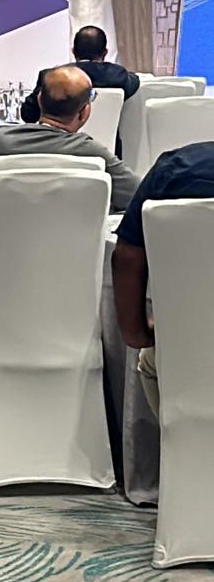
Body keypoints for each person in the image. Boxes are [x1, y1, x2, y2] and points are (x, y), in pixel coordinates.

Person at [112, 142, 214, 417]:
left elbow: (126, 258)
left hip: (192, 355)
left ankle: (181, 438)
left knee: (153, 360)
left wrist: (137, 333)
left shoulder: (175, 168)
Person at [0, 64, 139, 213]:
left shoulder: (1, 142)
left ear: (39, 100)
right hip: (77, 230)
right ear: (84, 112)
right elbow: (137, 195)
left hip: (8, 229)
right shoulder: (93, 153)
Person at [20, 26, 140, 155]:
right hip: (108, 153)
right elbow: (134, 82)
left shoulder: (52, 77)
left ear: (73, 51)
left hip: (55, 151)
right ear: (105, 52)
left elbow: (28, 114)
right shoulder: (117, 75)